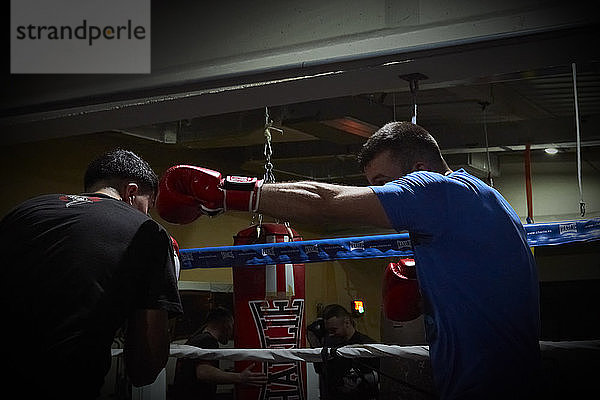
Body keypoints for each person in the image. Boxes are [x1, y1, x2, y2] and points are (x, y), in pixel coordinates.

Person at [156, 121, 541, 399]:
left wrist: (223, 192)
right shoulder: (488, 199)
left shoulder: (437, 190)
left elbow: (328, 206)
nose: (382, 194)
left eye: (384, 183)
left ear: (420, 170)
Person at [0, 149, 183, 399]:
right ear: (131, 193)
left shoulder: (26, 210)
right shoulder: (147, 231)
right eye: (147, 206)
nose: (146, 215)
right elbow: (145, 368)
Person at [171, 307, 268, 400]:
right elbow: (203, 373)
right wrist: (240, 377)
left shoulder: (196, 339)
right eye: (232, 325)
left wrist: (230, 373)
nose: (232, 331)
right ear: (225, 324)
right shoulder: (208, 340)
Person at [314, 304, 379, 400]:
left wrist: (361, 379)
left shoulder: (366, 345)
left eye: (334, 330)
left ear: (347, 323)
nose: (331, 334)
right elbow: (321, 371)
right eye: (328, 331)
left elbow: (381, 375)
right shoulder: (330, 344)